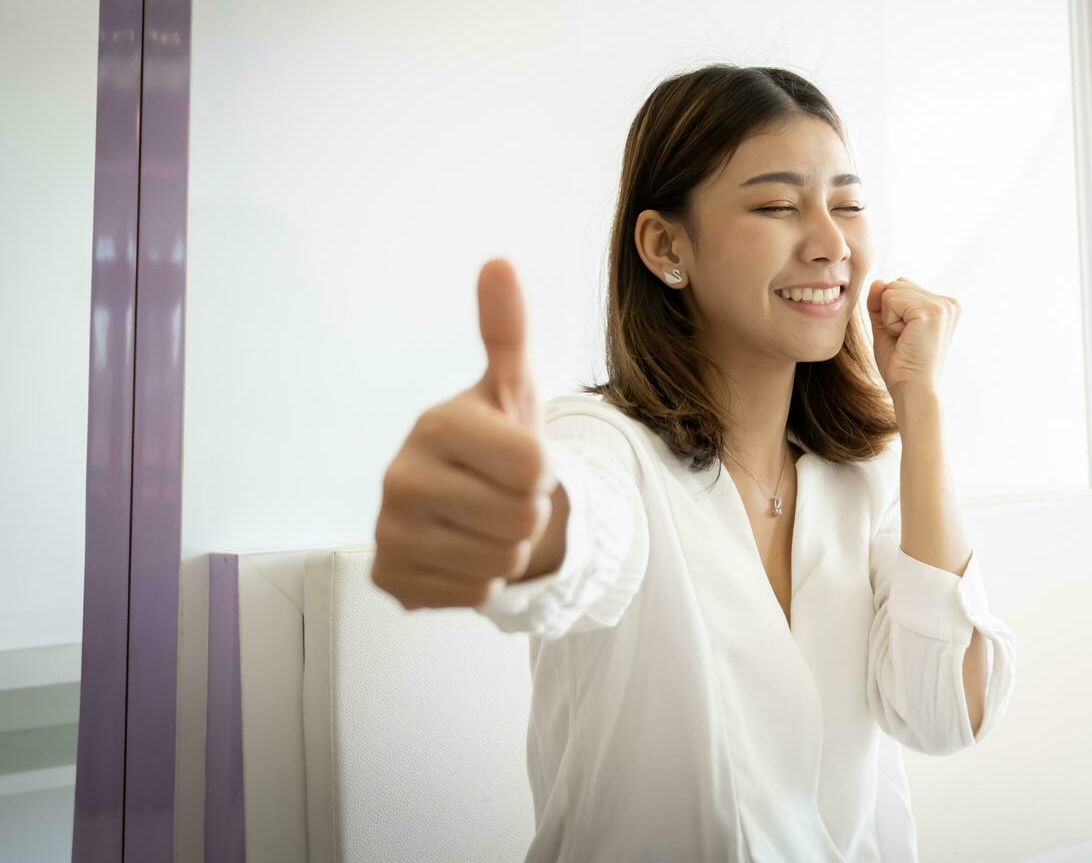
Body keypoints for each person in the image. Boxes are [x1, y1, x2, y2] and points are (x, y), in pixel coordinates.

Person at [370, 63, 1018, 861]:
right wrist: (521, 522)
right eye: (778, 206)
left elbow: (946, 710)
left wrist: (919, 404)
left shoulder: (860, 476)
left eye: (846, 204)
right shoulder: (602, 445)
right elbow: (580, 532)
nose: (829, 242)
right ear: (665, 244)